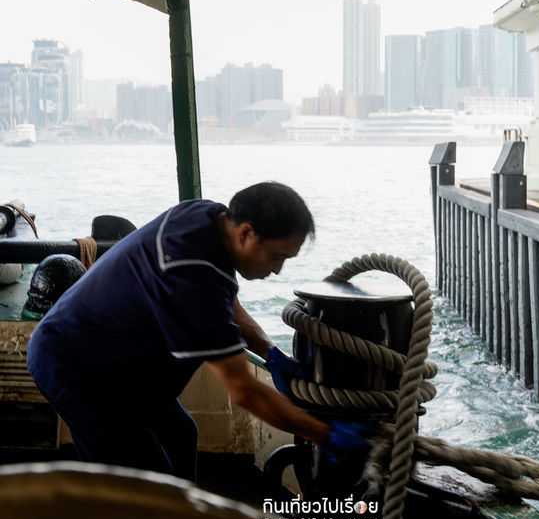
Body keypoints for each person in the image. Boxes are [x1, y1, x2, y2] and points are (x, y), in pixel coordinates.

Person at [27, 182, 369, 481]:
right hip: (78, 368)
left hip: (119, 365)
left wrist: (270, 352)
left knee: (180, 434)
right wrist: (327, 434)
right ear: (246, 233)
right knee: (146, 484)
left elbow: (224, 300)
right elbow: (244, 392)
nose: (278, 270)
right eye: (277, 256)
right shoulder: (193, 276)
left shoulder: (206, 216)